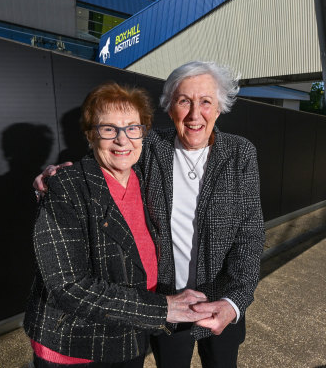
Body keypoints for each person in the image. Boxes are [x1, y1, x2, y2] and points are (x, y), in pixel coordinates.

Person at [35, 61, 266, 368]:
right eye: (184, 101)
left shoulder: (240, 154)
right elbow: (109, 162)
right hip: (165, 300)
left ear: (220, 107)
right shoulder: (151, 146)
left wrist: (234, 301)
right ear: (170, 108)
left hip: (220, 300)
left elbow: (251, 236)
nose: (195, 114)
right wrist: (56, 176)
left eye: (206, 102)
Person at [24, 82, 212, 368]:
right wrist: (164, 308)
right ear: (91, 135)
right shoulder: (67, 187)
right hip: (75, 344)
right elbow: (68, 286)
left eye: (132, 128)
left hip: (129, 336)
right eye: (109, 129)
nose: (122, 140)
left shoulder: (145, 178)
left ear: (143, 133)